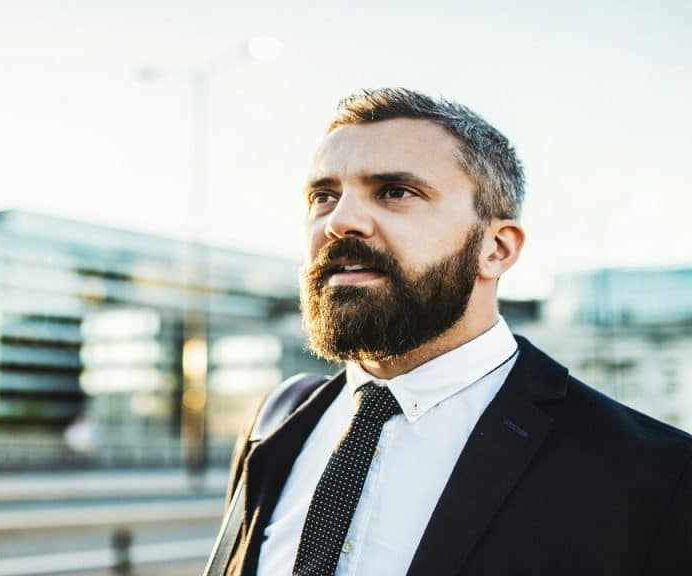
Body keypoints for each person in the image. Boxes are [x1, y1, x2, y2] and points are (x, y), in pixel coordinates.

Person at [209, 88, 692, 576]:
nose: (341, 222)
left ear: (497, 248)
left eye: (396, 191)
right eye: (324, 196)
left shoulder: (655, 475)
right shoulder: (276, 424)